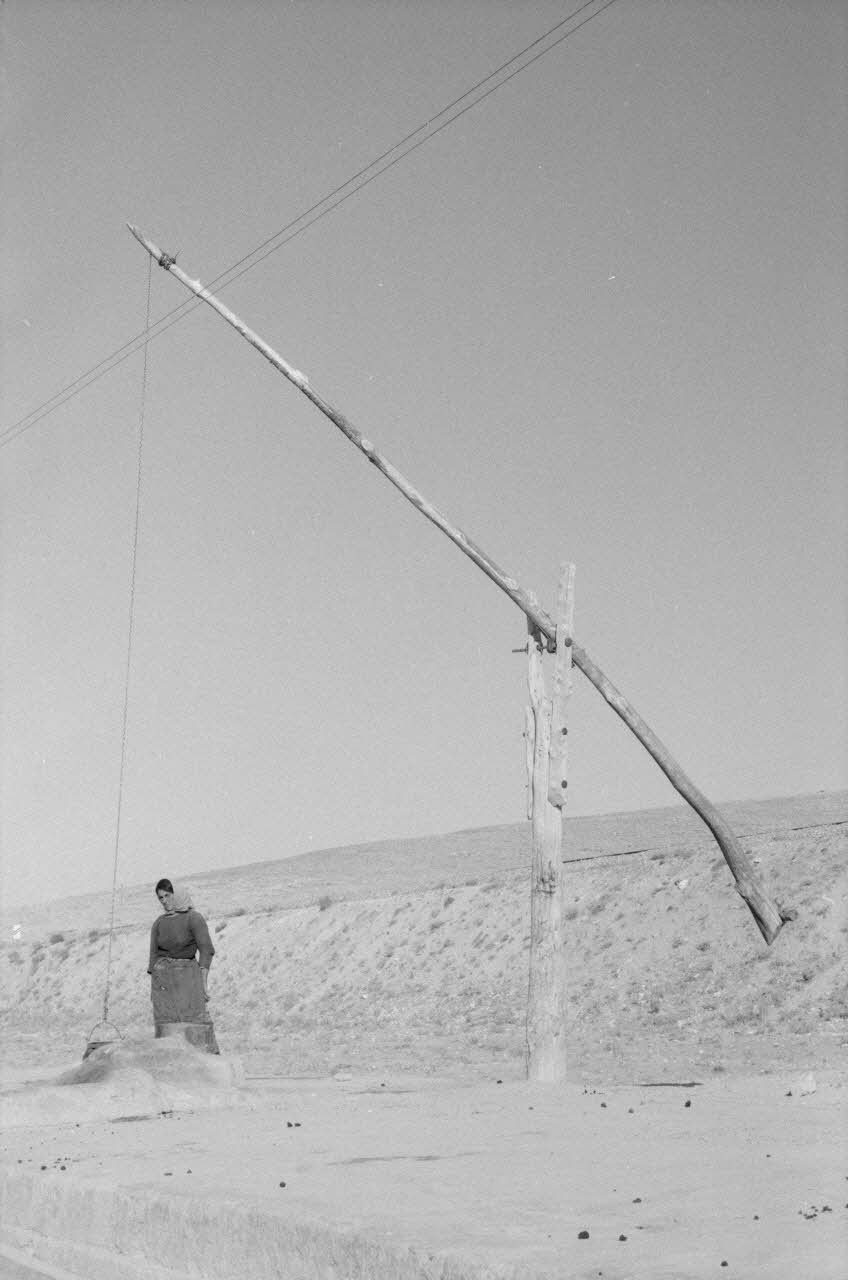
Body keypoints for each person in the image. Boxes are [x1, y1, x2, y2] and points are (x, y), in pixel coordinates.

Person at [148, 878, 219, 1053]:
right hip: (164, 983)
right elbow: (153, 956)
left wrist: (203, 982)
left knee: (193, 1021)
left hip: (187, 978)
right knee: (167, 1025)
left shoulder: (193, 918)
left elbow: (206, 950)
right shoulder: (158, 923)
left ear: (177, 894)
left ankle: (206, 1065)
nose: (165, 901)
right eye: (161, 898)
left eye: (168, 896)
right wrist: (156, 987)